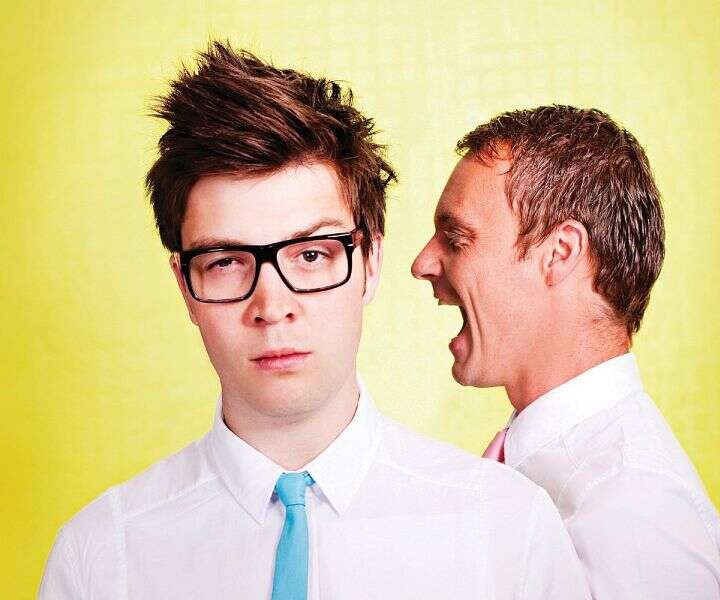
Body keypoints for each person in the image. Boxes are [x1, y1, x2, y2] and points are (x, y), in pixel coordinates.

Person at [38, 43, 589, 600]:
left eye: (310, 255)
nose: (272, 305)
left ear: (370, 263)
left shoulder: (507, 528)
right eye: (226, 262)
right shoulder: (101, 558)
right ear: (185, 285)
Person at [412, 106, 720, 599]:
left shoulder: (638, 511)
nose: (422, 263)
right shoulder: (559, 478)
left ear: (560, 253)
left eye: (456, 238)